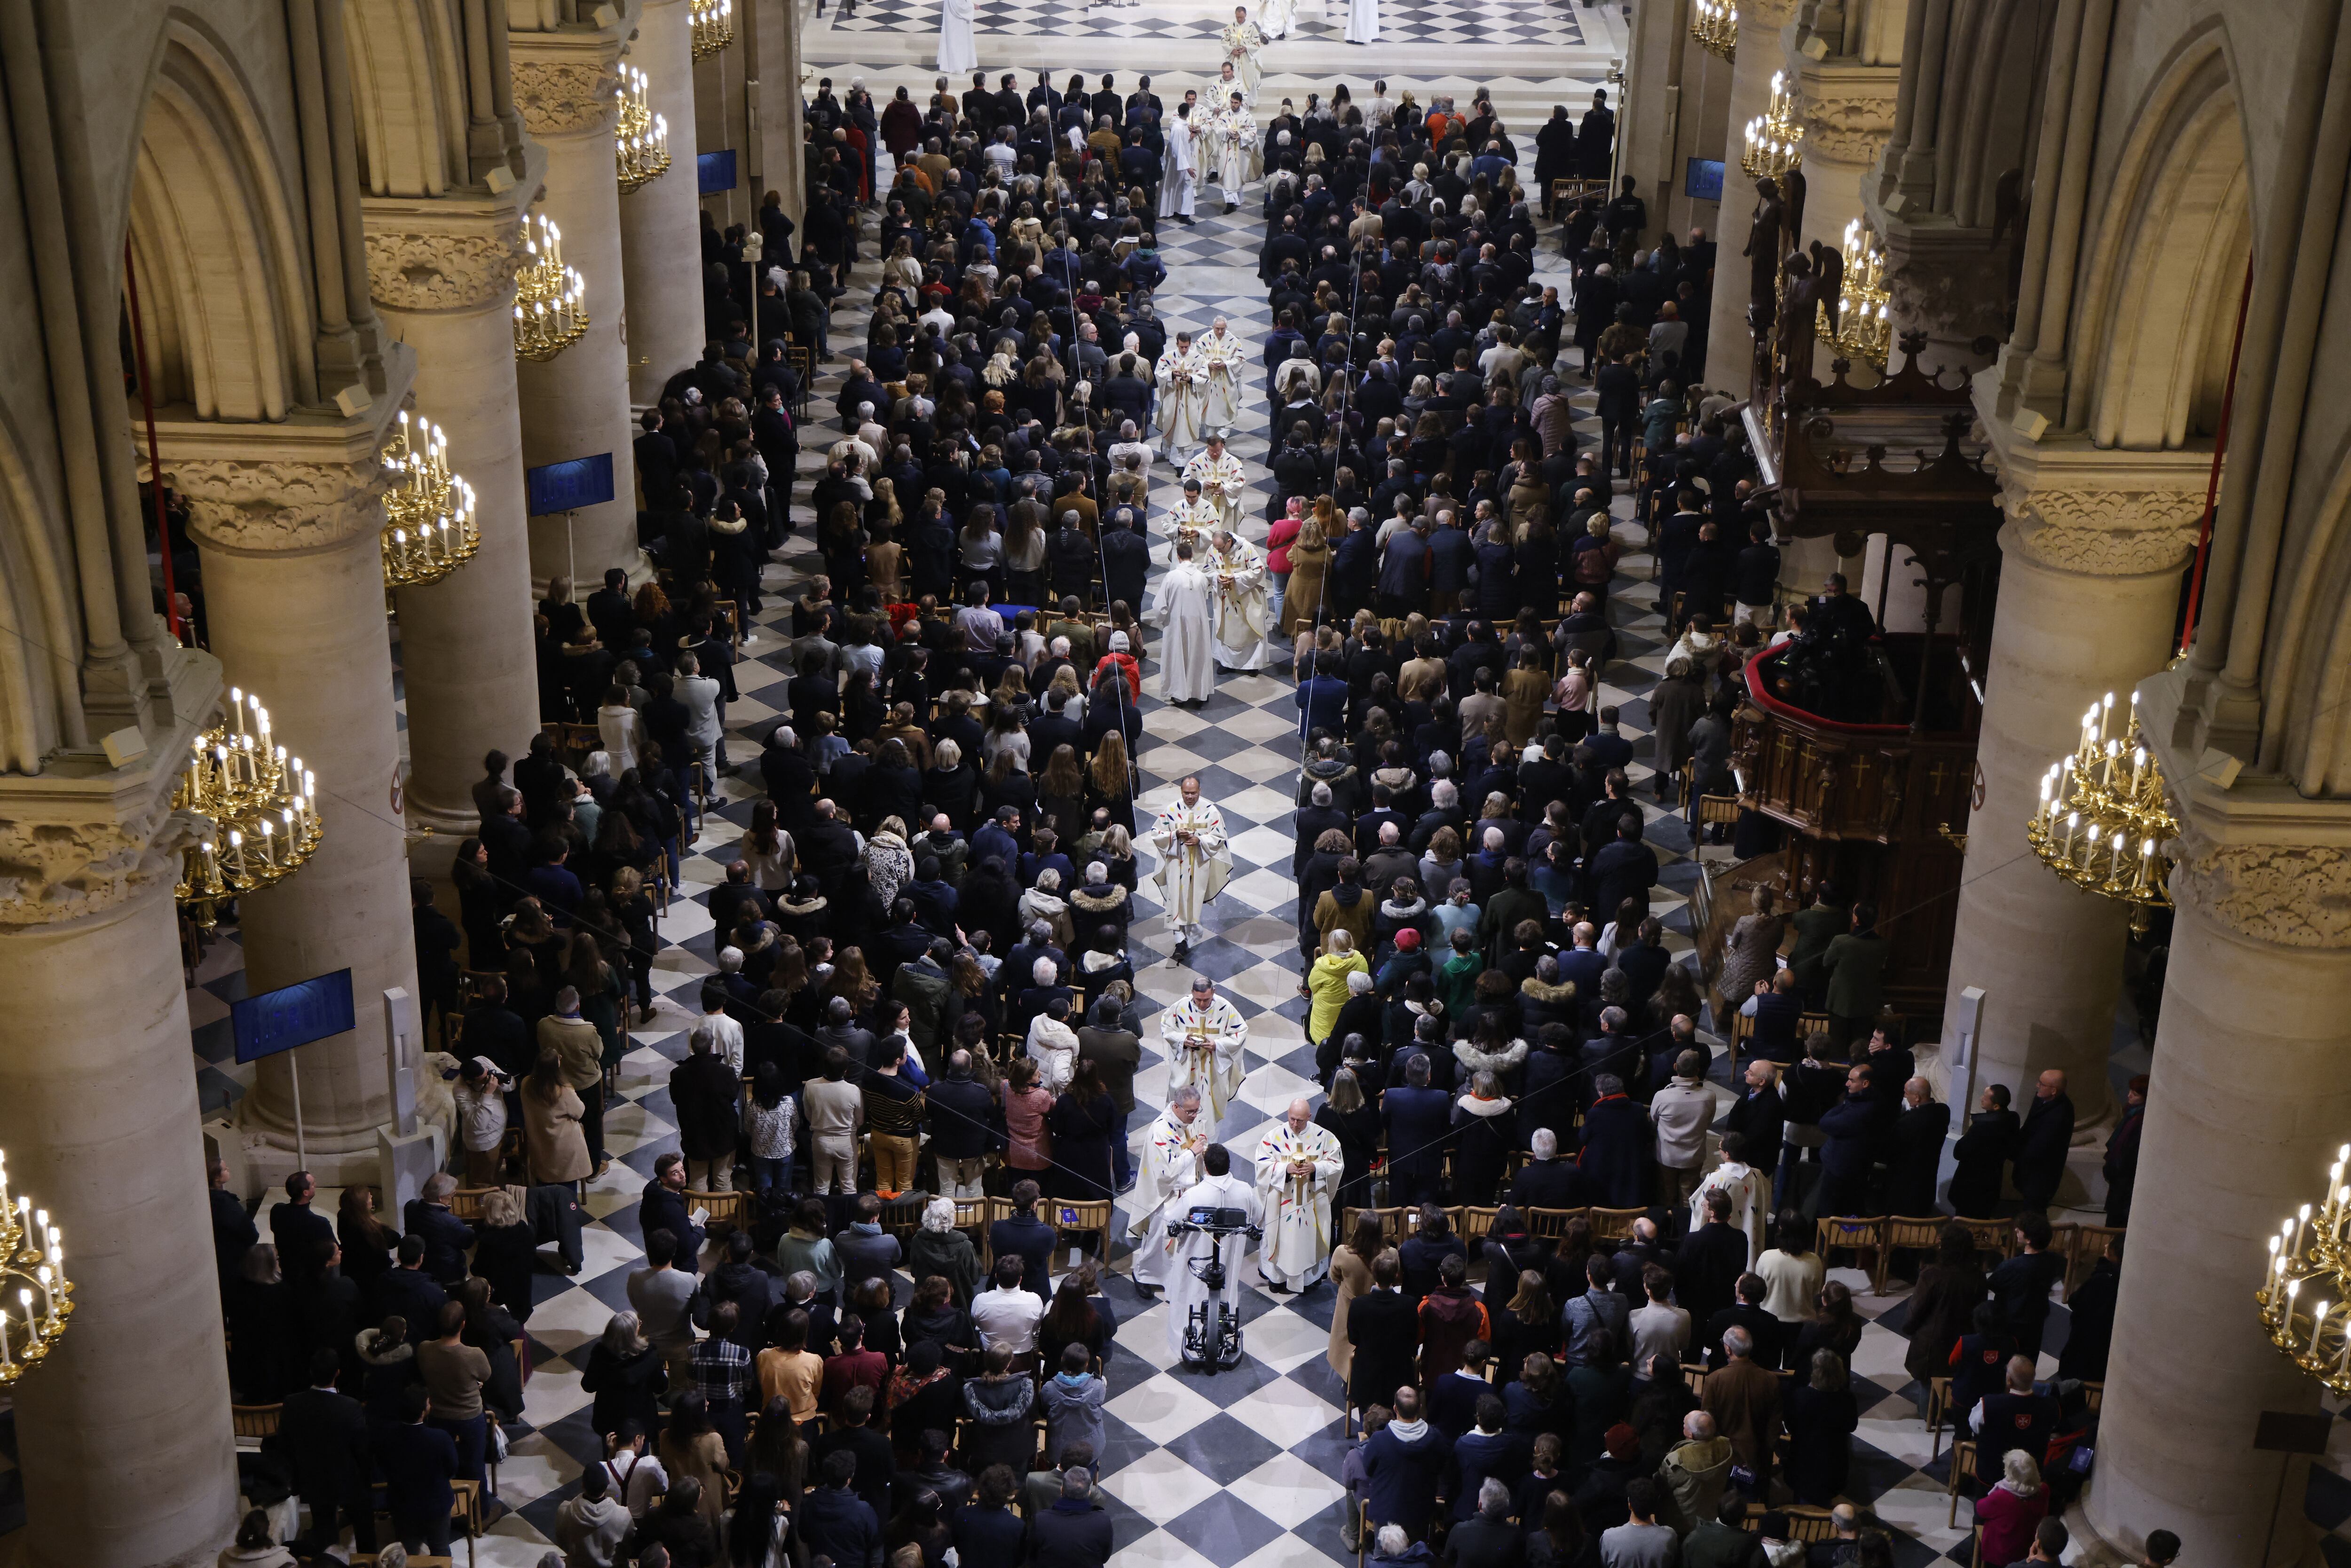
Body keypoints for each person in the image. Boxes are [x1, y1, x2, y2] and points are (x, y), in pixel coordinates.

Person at [1162, 1142, 1263, 1363]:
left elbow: (1170, 1222)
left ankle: (1187, 1332)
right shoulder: (1245, 1190)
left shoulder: (1194, 1196)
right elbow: (1257, 1217)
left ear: (1206, 1168)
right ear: (1229, 1165)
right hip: (1230, 1256)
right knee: (1226, 1291)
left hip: (1196, 1256)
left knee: (1191, 1293)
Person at [1254, 1096, 1343, 1292]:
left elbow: (1337, 1165)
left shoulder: (1325, 1138)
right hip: (1282, 1204)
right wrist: (1285, 1170)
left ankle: (1309, 1280)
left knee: (1308, 1241)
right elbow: (1262, 1166)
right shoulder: (1273, 1138)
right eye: (1292, 1119)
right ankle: (1278, 1279)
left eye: (1300, 1120)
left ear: (1309, 1117)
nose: (1295, 1124)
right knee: (1280, 1241)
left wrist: (1316, 1168)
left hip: (1310, 1203)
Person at [1130, 1084, 1210, 1298]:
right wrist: (1193, 1153)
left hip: (1187, 1191)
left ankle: (1173, 1278)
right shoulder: (1160, 1131)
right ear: (1176, 1106)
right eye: (1190, 1111)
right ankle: (1143, 1275)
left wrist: (1202, 1147)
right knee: (1160, 1239)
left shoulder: (1186, 1122)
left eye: (1197, 1110)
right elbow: (1167, 1170)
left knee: (1183, 1241)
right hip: (1165, 1195)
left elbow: (1192, 1147)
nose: (1194, 1116)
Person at [1159, 972, 1247, 1120]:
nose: (1201, 1004)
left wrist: (1217, 1045)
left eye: (1206, 1000)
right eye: (1198, 1000)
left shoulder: (1225, 1008)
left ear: (1214, 992)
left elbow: (1241, 1031)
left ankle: (1209, 1140)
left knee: (1210, 1111)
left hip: (1213, 1066)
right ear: (1192, 993)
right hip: (1187, 1064)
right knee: (1181, 1101)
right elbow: (1166, 1027)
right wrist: (1183, 1039)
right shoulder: (1181, 1006)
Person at [1150, 543, 1219, 706]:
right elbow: (1205, 598)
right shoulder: (1202, 577)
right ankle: (1200, 692)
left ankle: (1179, 693)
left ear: (1178, 557)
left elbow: (1159, 605)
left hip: (1177, 623)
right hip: (1199, 622)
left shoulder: (1172, 576)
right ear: (1192, 556)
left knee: (1178, 656)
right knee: (1198, 655)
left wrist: (1164, 618)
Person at [2011, 1069, 2075, 1213]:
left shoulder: (2060, 1115)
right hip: (2030, 1168)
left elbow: (2041, 1148)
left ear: (2053, 1091)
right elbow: (2029, 1125)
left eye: (2042, 1084)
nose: (2037, 1085)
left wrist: (2016, 1155)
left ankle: (2028, 1235)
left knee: (2035, 1210)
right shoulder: (2041, 1098)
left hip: (2041, 1173)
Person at [1973, 1450, 2050, 1568]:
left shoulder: (2002, 1497)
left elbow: (1980, 1509)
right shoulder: (2044, 1490)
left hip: (2002, 1554)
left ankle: (1973, 1559)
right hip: (2028, 1549)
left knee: (1978, 1519)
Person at [935, 0, 974, 72]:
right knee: (957, 42)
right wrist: (971, 6)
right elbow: (959, 6)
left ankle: (957, 65)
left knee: (957, 41)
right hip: (957, 20)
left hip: (955, 19)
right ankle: (957, 67)